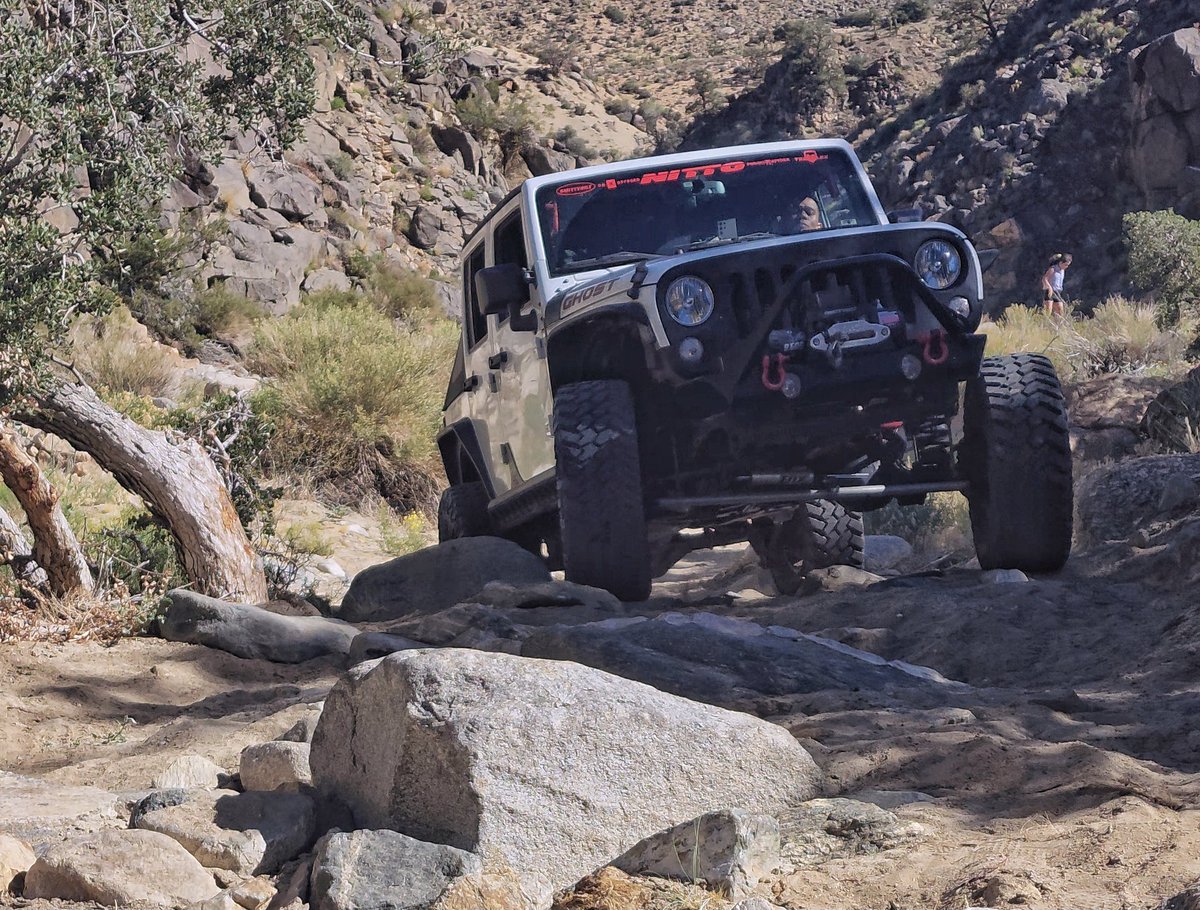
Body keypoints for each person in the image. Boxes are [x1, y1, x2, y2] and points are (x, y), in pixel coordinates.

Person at [1041, 252, 1072, 317]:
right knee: (1048, 311)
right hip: (1050, 291)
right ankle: (1044, 324)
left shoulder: (1062, 270)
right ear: (1060, 263)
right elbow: (1045, 279)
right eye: (1066, 265)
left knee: (1060, 310)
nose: (1067, 267)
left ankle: (1057, 325)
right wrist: (1049, 288)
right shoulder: (1053, 269)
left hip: (1057, 291)